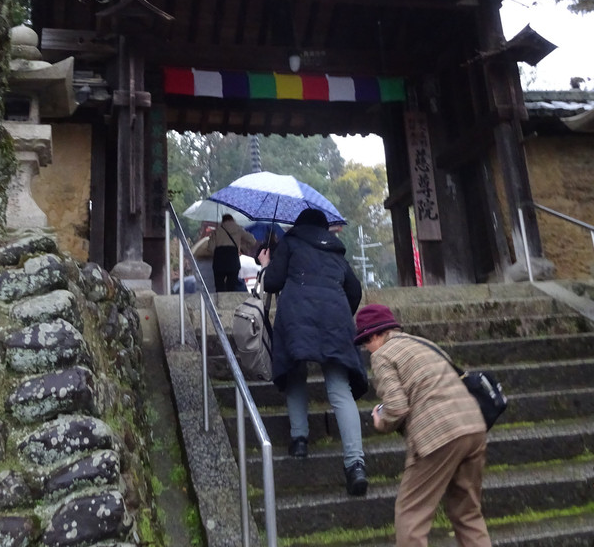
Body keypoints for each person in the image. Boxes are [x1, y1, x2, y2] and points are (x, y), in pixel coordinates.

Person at [355, 304, 491, 547]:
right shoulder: (424, 343)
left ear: (376, 334)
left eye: (365, 341)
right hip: (473, 426)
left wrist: (381, 421)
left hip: (438, 434)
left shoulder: (383, 355)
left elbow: (396, 407)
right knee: (467, 513)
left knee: (410, 513)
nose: (366, 348)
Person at [257, 208, 369, 496]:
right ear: (323, 228)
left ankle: (300, 439)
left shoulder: (291, 243)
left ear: (300, 225)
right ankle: (355, 464)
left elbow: (272, 283)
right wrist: (340, 312)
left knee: (295, 371)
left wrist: (267, 263)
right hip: (336, 318)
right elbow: (354, 291)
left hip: (296, 316)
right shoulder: (336, 252)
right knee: (338, 388)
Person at [209, 214, 258, 292]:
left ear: (223, 220)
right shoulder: (239, 229)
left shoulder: (217, 231)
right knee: (232, 285)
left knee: (219, 285)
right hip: (233, 258)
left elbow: (211, 247)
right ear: (232, 220)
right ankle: (230, 301)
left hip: (219, 259)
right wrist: (242, 247)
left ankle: (219, 302)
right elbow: (252, 241)